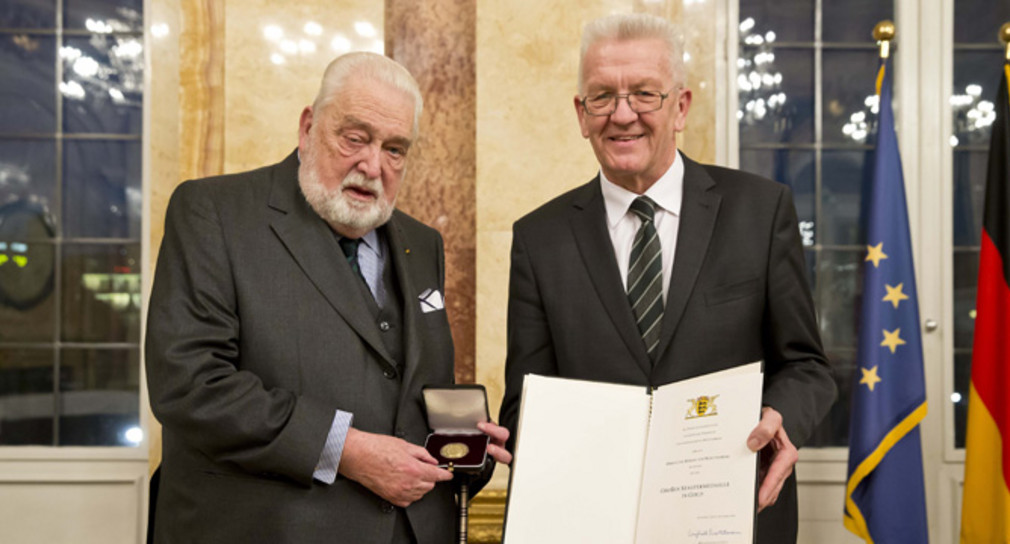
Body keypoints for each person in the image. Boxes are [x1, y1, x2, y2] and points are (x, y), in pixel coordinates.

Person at [146, 52, 511, 544]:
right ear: (307, 128)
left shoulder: (422, 244)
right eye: (355, 138)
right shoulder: (213, 213)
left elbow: (400, 395)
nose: (372, 164)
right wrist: (346, 450)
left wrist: (462, 450)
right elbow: (189, 384)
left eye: (395, 149)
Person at [499, 13, 836, 543]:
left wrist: (780, 417)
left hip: (732, 520)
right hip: (593, 526)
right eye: (602, 96)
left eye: (644, 94)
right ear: (581, 114)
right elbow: (527, 401)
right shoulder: (539, 238)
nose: (622, 114)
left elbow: (806, 366)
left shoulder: (760, 210)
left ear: (680, 107)